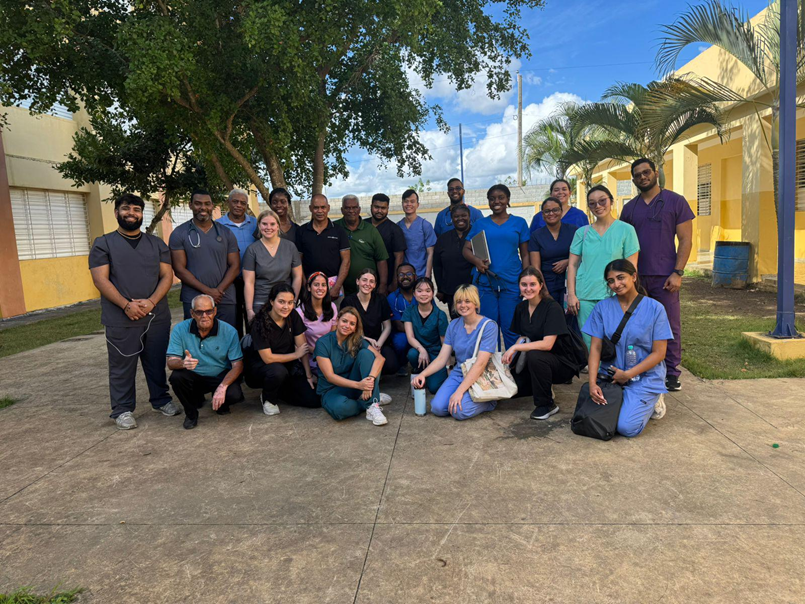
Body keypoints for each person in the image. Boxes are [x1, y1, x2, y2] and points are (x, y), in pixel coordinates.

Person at [89, 193, 180, 430]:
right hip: (121, 317)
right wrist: (126, 305)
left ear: (142, 214)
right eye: (126, 209)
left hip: (155, 315)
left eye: (136, 210)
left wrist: (151, 302)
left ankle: (161, 400)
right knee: (122, 366)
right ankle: (122, 409)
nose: (131, 213)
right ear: (116, 212)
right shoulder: (104, 244)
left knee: (156, 362)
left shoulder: (156, 244)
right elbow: (100, 280)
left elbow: (167, 276)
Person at [620, 158, 694, 392]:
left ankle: (671, 373)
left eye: (646, 172)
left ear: (655, 173)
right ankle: (641, 368)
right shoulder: (629, 209)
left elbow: (685, 239)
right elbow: (623, 243)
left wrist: (677, 272)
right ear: (633, 179)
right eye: (637, 174)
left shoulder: (675, 201)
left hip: (665, 277)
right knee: (637, 325)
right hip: (636, 278)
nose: (642, 177)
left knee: (669, 325)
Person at [584, 259, 673, 437]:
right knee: (597, 421)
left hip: (644, 377)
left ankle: (654, 399)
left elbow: (659, 353)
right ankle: (631, 402)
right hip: (612, 376)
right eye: (611, 281)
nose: (616, 284)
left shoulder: (655, 309)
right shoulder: (602, 308)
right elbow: (595, 348)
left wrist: (628, 375)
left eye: (620, 277)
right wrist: (592, 384)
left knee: (626, 428)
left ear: (633, 276)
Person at [567, 185, 640, 349]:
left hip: (615, 294)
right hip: (585, 296)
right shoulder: (582, 233)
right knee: (590, 342)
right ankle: (596, 367)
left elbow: (631, 267)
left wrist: (627, 294)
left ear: (611, 201)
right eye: (592, 203)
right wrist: (571, 294)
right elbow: (572, 265)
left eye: (602, 201)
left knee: (617, 340)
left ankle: (617, 367)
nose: (598, 206)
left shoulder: (626, 230)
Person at [503, 267, 580, 420]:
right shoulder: (521, 307)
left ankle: (547, 404)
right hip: (536, 362)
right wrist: (511, 358)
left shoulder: (552, 307)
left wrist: (515, 347)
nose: (528, 288)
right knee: (513, 389)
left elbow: (547, 344)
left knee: (535, 355)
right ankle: (541, 386)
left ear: (541, 285)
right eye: (524, 285)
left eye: (532, 284)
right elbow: (523, 336)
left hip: (561, 362)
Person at [412, 284, 499, 420]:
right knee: (437, 408)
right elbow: (442, 358)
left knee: (458, 411)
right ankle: (468, 399)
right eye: (459, 302)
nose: (463, 305)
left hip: (481, 375)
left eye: (467, 301)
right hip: (460, 372)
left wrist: (459, 392)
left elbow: (480, 364)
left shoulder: (489, 326)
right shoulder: (453, 325)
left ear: (476, 303)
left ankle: (489, 402)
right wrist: (423, 374)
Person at [463, 184, 530, 349]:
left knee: (511, 328)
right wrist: (477, 261)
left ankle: (512, 362)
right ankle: (492, 363)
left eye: (501, 198)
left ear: (508, 200)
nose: (496, 201)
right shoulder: (480, 224)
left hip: (511, 283)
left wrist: (526, 281)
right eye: (492, 199)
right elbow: (466, 249)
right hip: (486, 284)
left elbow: (525, 254)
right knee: (488, 328)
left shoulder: (519, 223)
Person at [166, 294, 244, 430]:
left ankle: (219, 401)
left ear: (215, 311)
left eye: (209, 311)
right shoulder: (180, 329)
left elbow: (238, 365)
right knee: (176, 377)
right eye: (199, 312)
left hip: (219, 375)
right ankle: (191, 414)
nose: (204, 316)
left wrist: (222, 387)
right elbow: (171, 362)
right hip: (194, 376)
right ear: (192, 313)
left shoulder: (229, 331)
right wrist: (183, 363)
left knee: (234, 395)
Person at [243, 283, 319, 415]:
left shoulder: (293, 315)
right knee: (278, 371)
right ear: (272, 301)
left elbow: (303, 348)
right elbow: (268, 358)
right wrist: (295, 355)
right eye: (281, 302)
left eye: (290, 302)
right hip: (262, 369)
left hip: (288, 368)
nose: (286, 307)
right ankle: (268, 399)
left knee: (314, 399)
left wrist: (308, 375)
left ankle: (279, 390)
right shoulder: (259, 322)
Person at [170, 189, 240, 328]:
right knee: (196, 338)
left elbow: (235, 266)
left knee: (227, 337)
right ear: (190, 205)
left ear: (212, 206)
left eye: (207, 204)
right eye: (198, 203)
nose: (203, 207)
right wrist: (209, 292)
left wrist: (218, 291)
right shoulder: (179, 233)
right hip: (194, 299)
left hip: (224, 298)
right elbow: (179, 270)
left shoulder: (226, 233)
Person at [314, 307, 389, 426]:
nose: (347, 326)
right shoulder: (323, 343)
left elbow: (380, 358)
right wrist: (360, 385)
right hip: (331, 390)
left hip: (355, 385)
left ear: (355, 328)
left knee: (366, 354)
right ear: (337, 320)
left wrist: (369, 381)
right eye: (344, 321)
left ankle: (372, 404)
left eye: (352, 324)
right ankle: (368, 401)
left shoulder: (356, 340)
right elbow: (330, 376)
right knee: (340, 409)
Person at [243, 209, 303, 321]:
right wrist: (249, 310)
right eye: (264, 224)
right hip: (261, 302)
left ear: (278, 226)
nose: (268, 227)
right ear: (259, 226)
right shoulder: (252, 250)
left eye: (272, 224)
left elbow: (298, 277)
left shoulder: (290, 247)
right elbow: (249, 282)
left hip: (285, 303)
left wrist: (293, 302)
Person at [341, 268, 399, 378]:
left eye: (371, 281)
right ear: (357, 281)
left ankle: (374, 374)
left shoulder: (380, 299)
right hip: (356, 341)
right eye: (364, 280)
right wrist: (365, 340)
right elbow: (345, 329)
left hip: (377, 341)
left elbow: (387, 327)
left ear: (375, 285)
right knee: (363, 359)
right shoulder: (348, 301)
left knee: (392, 364)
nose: (367, 284)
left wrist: (378, 345)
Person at [217, 188, 258, 337]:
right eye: (235, 201)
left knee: (252, 319)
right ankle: (236, 349)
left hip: (252, 281)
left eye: (243, 203)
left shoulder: (255, 224)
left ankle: (251, 349)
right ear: (228, 202)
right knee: (233, 321)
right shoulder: (218, 225)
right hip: (229, 281)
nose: (239, 205)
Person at [295, 193, 351, 299]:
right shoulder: (301, 231)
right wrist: (305, 284)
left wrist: (337, 286)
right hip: (310, 286)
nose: (320, 211)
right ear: (310, 208)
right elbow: (298, 261)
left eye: (323, 207)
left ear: (328, 208)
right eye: (316, 208)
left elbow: (346, 261)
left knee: (336, 310)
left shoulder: (339, 231)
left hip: (333, 286)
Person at [528, 197, 578, 308]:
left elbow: (583, 255)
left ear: (561, 211)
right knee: (551, 315)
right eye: (547, 211)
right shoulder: (536, 236)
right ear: (542, 215)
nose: (551, 213)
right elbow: (536, 267)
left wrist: (567, 262)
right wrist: (544, 292)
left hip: (571, 283)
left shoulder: (573, 231)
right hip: (547, 283)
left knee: (570, 315)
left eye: (555, 210)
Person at [335, 194, 389, 295]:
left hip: (367, 288)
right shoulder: (334, 228)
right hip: (340, 289)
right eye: (347, 208)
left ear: (359, 209)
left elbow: (381, 259)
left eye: (354, 207)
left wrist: (383, 284)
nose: (351, 211)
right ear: (342, 210)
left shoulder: (371, 230)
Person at [403, 277, 449, 393]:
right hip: (419, 351)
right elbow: (410, 337)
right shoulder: (410, 311)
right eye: (419, 291)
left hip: (436, 354)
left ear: (432, 293)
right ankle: (419, 370)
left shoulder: (440, 315)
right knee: (412, 354)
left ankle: (428, 374)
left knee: (434, 388)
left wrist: (447, 365)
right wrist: (422, 350)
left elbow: (445, 343)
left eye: (428, 291)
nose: (424, 294)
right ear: (414, 294)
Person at [433, 203, 475, 317]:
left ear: (469, 217)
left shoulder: (477, 236)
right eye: (456, 216)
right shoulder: (443, 239)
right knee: (456, 321)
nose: (460, 219)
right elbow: (437, 265)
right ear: (452, 219)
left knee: (474, 321)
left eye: (464, 215)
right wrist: (440, 289)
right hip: (451, 290)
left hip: (473, 289)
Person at [296, 272, 338, 375]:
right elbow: (301, 346)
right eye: (316, 285)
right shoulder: (300, 312)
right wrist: (321, 352)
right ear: (309, 288)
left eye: (323, 285)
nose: (320, 288)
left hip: (330, 355)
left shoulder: (332, 307)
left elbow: (333, 337)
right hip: (311, 358)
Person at [369, 193, 407, 292]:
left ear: (388, 209)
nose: (379, 211)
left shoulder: (394, 230)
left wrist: (394, 282)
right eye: (376, 207)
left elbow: (399, 257)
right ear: (371, 206)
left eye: (383, 208)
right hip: (364, 279)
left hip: (386, 282)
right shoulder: (363, 225)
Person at [397, 189, 437, 278]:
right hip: (404, 277)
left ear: (417, 205)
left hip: (421, 275)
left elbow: (430, 252)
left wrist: (427, 276)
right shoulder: (398, 227)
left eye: (412, 201)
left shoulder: (425, 226)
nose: (409, 204)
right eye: (406, 201)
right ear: (402, 204)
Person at [386, 263, 417, 374]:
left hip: (422, 331)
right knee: (400, 341)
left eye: (409, 274)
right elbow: (399, 325)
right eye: (401, 274)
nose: (405, 277)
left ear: (415, 276)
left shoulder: (422, 293)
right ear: (397, 278)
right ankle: (402, 363)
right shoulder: (392, 298)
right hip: (402, 333)